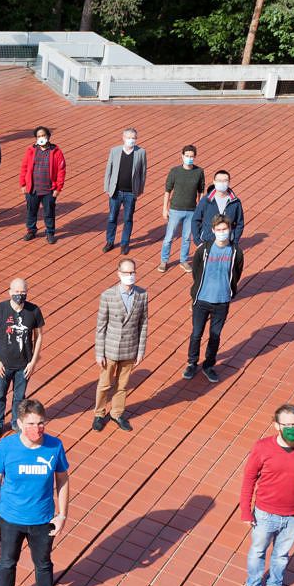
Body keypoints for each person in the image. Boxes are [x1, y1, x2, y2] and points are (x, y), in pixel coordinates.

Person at [0, 399, 69, 586]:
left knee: (43, 564)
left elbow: (62, 479)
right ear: (20, 423)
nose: (37, 428)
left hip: (42, 520)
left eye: (41, 423)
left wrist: (62, 515)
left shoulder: (55, 446)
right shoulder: (6, 446)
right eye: (31, 423)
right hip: (10, 519)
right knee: (7, 562)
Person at [239, 404, 294, 586]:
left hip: (293, 516)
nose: (293, 427)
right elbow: (249, 478)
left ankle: (275, 583)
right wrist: (245, 511)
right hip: (264, 514)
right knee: (258, 551)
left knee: (281, 555)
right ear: (276, 426)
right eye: (287, 424)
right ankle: (253, 585)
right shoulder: (261, 447)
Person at [185, 214, 243, 383]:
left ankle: (208, 365)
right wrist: (198, 290)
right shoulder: (204, 249)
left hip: (222, 301)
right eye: (218, 230)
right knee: (196, 334)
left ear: (229, 230)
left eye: (224, 229)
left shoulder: (235, 252)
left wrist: (229, 290)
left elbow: (237, 273)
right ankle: (192, 363)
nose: (222, 232)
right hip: (202, 299)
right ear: (213, 230)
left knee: (215, 335)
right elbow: (196, 270)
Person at [0, 278, 44, 441]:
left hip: (24, 365)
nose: (20, 295)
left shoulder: (34, 311)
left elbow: (38, 336)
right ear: (10, 292)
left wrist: (33, 362)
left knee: (20, 397)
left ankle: (16, 422)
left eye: (23, 292)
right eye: (16, 292)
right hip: (3, 365)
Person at [93, 259, 147, 432]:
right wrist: (99, 353)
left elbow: (143, 324)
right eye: (126, 273)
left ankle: (117, 413)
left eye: (132, 272)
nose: (129, 276)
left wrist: (140, 351)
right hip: (110, 349)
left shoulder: (142, 295)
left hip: (129, 349)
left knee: (122, 385)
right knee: (104, 384)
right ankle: (99, 414)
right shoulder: (107, 295)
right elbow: (101, 326)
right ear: (119, 274)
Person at [159, 145, 205, 272]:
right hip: (175, 209)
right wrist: (165, 208)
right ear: (182, 156)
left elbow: (201, 191)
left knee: (186, 238)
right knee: (169, 237)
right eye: (187, 156)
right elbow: (167, 191)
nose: (189, 158)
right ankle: (164, 260)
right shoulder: (175, 171)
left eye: (192, 156)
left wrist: (199, 209)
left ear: (195, 157)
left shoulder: (199, 172)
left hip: (191, 211)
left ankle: (183, 261)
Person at [102, 128, 147, 255]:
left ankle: (124, 243)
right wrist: (107, 188)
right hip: (115, 191)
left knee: (128, 219)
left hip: (130, 193)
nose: (131, 140)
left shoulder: (141, 152)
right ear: (123, 138)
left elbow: (143, 172)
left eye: (133, 138)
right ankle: (110, 241)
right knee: (112, 218)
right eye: (129, 137)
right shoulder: (115, 151)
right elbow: (108, 170)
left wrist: (140, 190)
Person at [19, 126, 66, 244]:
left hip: (48, 190)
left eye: (43, 135)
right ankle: (31, 230)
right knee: (31, 211)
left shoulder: (56, 151)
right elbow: (24, 167)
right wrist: (23, 184)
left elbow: (61, 170)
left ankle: (50, 232)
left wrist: (58, 188)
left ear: (48, 136)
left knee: (49, 213)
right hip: (33, 189)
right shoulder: (31, 150)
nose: (41, 138)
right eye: (39, 136)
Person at [192, 170, 245, 248]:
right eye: (219, 180)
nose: (222, 183)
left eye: (225, 180)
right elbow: (195, 220)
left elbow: (240, 223)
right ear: (214, 181)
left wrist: (235, 240)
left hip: (228, 243)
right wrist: (198, 241)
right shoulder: (205, 200)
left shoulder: (235, 202)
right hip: (207, 241)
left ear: (229, 182)